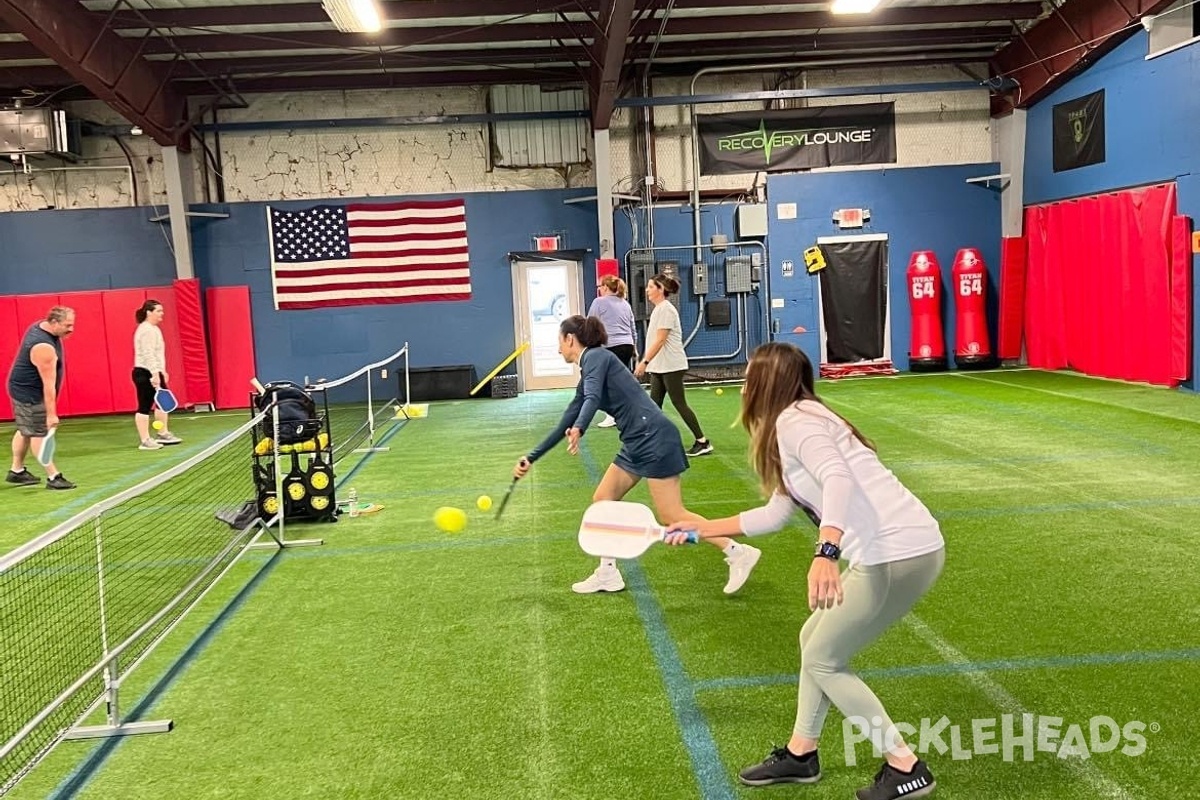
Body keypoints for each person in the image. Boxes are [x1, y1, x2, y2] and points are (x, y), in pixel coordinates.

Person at [665, 342, 945, 800]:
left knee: (824, 658)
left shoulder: (798, 424)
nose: (743, 386)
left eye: (750, 376)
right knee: (812, 640)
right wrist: (699, 529)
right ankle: (802, 753)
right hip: (898, 549)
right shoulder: (796, 420)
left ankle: (905, 765)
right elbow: (775, 514)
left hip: (899, 552)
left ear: (764, 384)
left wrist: (826, 551)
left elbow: (837, 477)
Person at [513, 315, 761, 595]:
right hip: (635, 442)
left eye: (560, 342)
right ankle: (608, 573)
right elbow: (565, 422)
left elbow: (593, 400)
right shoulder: (589, 371)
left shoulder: (595, 357)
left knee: (673, 516)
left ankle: (736, 551)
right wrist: (531, 457)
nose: (559, 349)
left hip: (654, 438)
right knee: (602, 501)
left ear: (570, 339)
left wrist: (581, 427)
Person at [633, 274, 712, 456]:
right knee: (654, 405)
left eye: (651, 287)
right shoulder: (659, 310)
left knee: (678, 402)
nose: (647, 290)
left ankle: (702, 441)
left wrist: (644, 362)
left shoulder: (667, 310)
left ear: (660, 289)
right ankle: (652, 441)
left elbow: (660, 340)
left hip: (672, 365)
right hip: (660, 366)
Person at [5, 306, 77, 490]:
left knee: (25, 429)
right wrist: (51, 414)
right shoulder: (43, 347)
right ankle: (54, 477)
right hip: (29, 393)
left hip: (22, 388)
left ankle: (17, 471)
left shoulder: (42, 327)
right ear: (54, 322)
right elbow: (48, 384)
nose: (71, 329)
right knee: (39, 433)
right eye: (67, 325)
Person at [586, 274, 637, 429]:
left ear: (606, 287)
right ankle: (626, 412)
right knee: (620, 380)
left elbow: (590, 324)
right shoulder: (625, 304)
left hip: (610, 346)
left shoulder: (598, 302)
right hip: (627, 345)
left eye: (600, 287)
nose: (599, 290)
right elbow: (632, 328)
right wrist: (635, 349)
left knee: (606, 382)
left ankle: (612, 415)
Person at [132, 299, 182, 450]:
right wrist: (154, 373)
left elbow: (158, 354)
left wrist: (162, 371)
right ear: (149, 312)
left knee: (162, 403)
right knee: (144, 406)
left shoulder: (154, 329)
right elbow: (148, 354)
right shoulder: (146, 329)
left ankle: (163, 433)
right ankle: (145, 440)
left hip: (155, 371)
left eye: (162, 311)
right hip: (144, 372)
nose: (162, 314)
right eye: (159, 311)